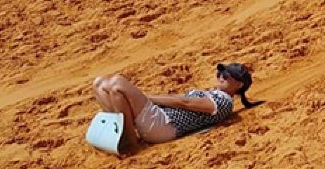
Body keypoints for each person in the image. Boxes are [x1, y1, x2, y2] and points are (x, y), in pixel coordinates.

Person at [92, 62, 260, 150]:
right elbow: (180, 100)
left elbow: (184, 102)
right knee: (99, 84)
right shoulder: (216, 95)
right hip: (160, 120)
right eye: (221, 73)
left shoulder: (224, 102)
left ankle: (131, 141)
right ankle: (119, 132)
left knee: (117, 84)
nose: (221, 76)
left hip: (165, 125)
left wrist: (146, 98)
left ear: (239, 85)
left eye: (227, 75)